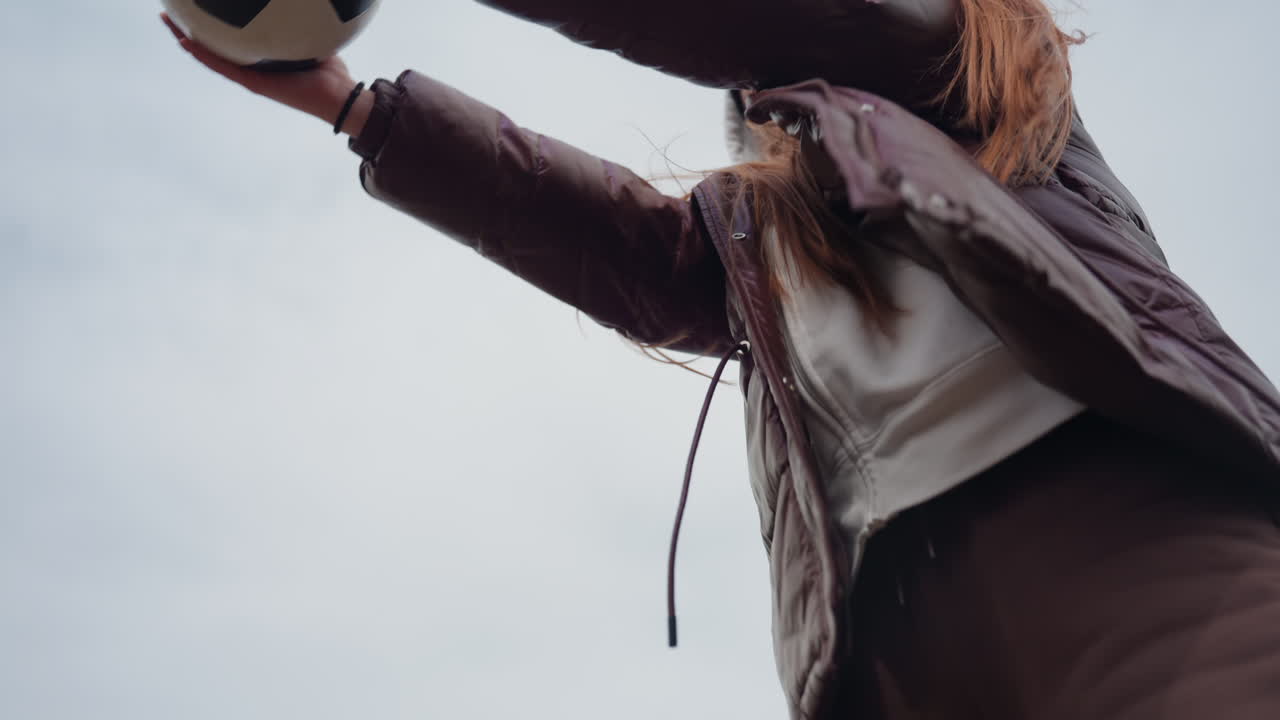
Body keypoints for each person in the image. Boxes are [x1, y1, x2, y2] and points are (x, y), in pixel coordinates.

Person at [162, 2, 1280, 718]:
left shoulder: (960, 55)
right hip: (881, 644)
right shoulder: (750, 237)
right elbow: (628, 252)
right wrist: (353, 108)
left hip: (1133, 548)